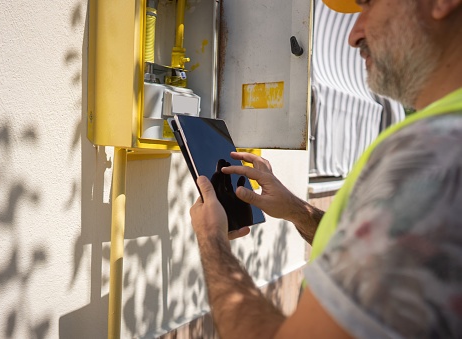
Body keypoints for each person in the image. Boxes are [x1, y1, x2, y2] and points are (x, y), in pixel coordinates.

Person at [189, 0, 462, 338]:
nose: (353, 35)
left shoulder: (433, 153)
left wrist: (212, 240)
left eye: (369, 4)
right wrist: (298, 211)